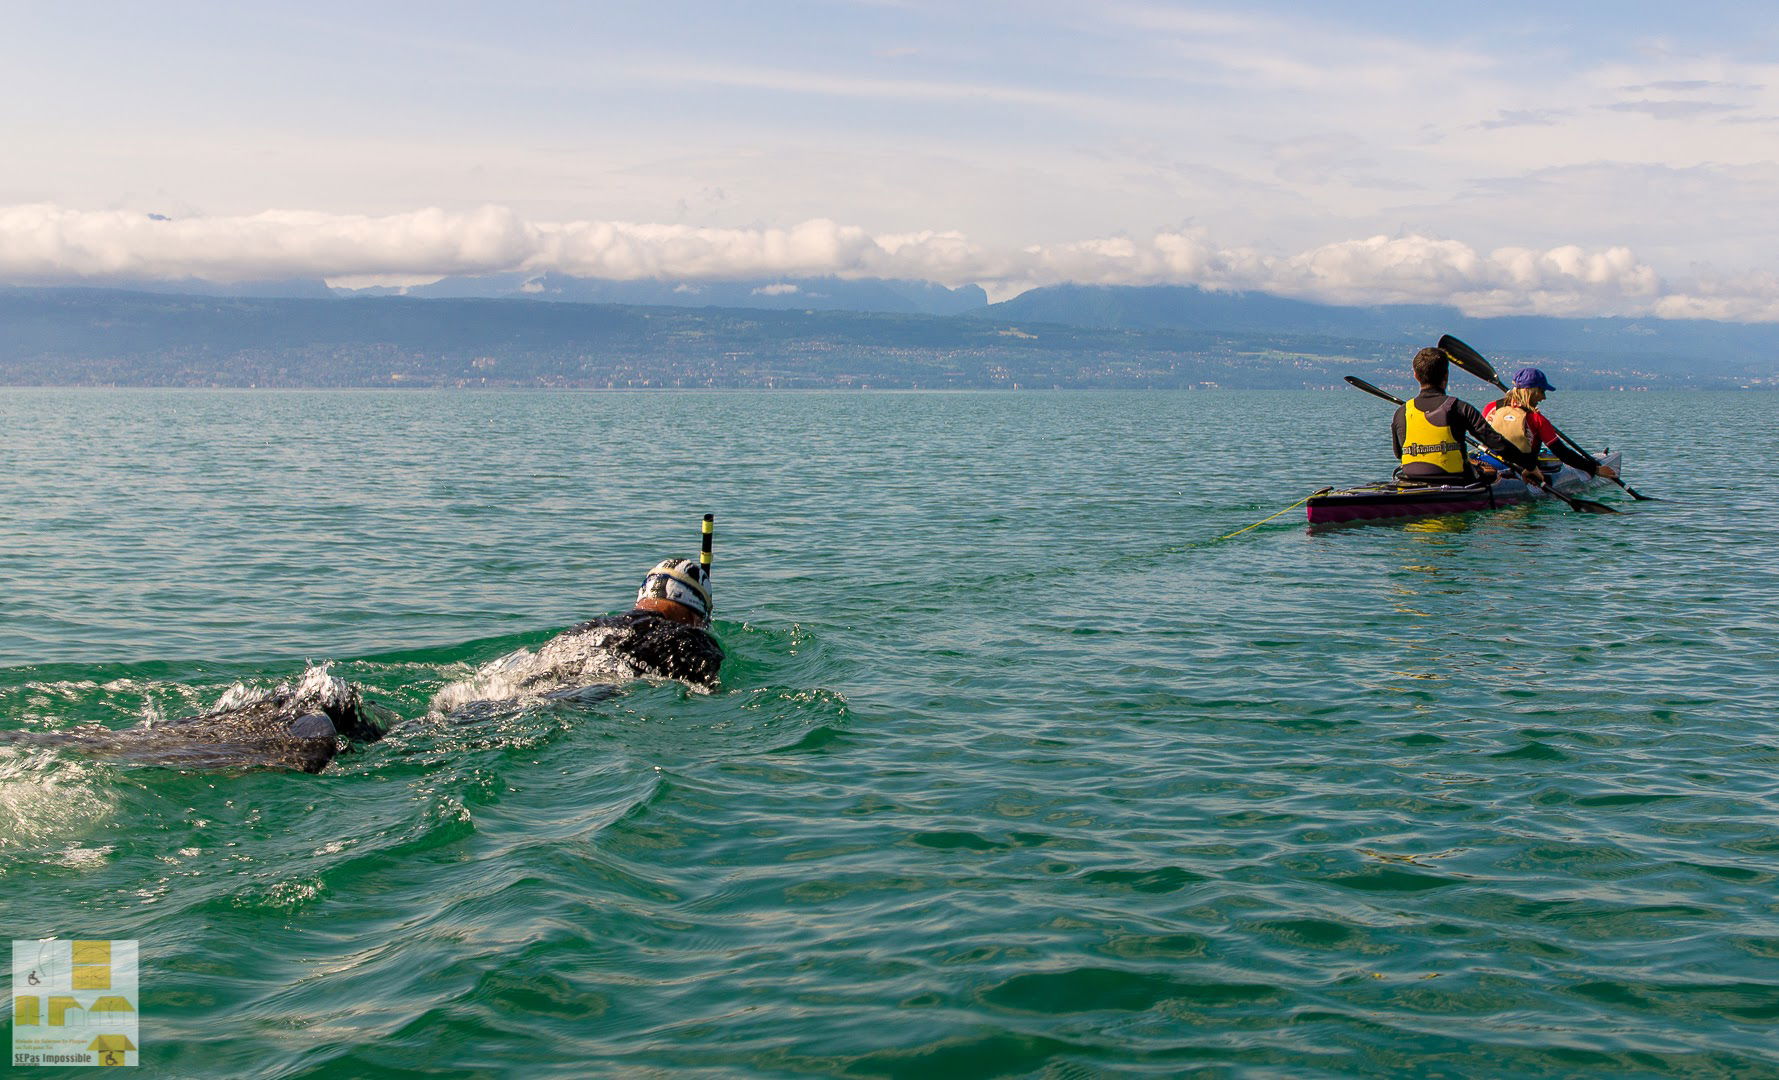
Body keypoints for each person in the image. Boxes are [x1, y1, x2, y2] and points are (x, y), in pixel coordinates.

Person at [432, 531, 725, 713]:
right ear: (694, 614)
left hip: (533, 676)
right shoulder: (690, 640)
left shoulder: (594, 626)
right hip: (581, 694)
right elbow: (706, 693)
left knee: (483, 708)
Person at [1391, 346, 1546, 486]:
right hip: (1457, 481)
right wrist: (1530, 466)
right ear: (1446, 375)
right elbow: (1498, 444)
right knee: (1497, 477)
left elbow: (1399, 453)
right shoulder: (1460, 408)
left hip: (1410, 480)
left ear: (1416, 376)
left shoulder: (1401, 412)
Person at [1480, 367, 1620, 482]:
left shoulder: (1490, 407)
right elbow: (1563, 453)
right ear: (1532, 391)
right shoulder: (1537, 419)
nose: (1544, 397)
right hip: (1523, 469)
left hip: (1486, 461)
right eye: (1542, 391)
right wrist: (1594, 469)